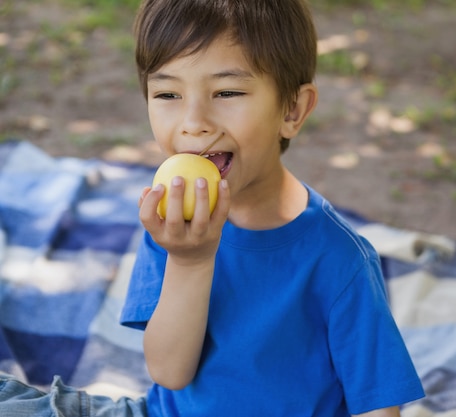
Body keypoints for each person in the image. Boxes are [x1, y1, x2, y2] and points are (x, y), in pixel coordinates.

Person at [0, 0, 424, 416]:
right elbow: (169, 372)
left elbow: (379, 405)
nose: (193, 121)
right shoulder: (174, 225)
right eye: (168, 93)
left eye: (226, 92)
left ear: (291, 110)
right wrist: (190, 260)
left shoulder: (340, 257)